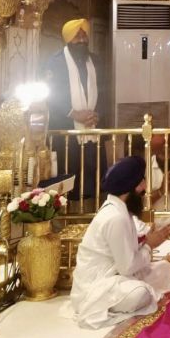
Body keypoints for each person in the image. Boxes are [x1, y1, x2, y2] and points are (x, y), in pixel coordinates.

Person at [70, 156, 170, 329]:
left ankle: (132, 292)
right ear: (130, 187)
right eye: (142, 182)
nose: (145, 188)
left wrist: (151, 238)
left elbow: (131, 249)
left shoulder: (120, 210)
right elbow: (127, 266)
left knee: (165, 269)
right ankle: (120, 302)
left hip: (117, 275)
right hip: (97, 286)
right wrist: (150, 245)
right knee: (141, 293)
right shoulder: (115, 217)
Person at [44, 18, 106, 202]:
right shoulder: (54, 62)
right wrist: (74, 113)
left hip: (92, 129)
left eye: (84, 35)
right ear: (68, 39)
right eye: (77, 36)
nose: (82, 39)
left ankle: (92, 212)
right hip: (67, 131)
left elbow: (105, 90)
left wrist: (97, 114)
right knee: (69, 180)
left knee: (93, 180)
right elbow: (51, 94)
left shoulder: (95, 60)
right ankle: (68, 217)